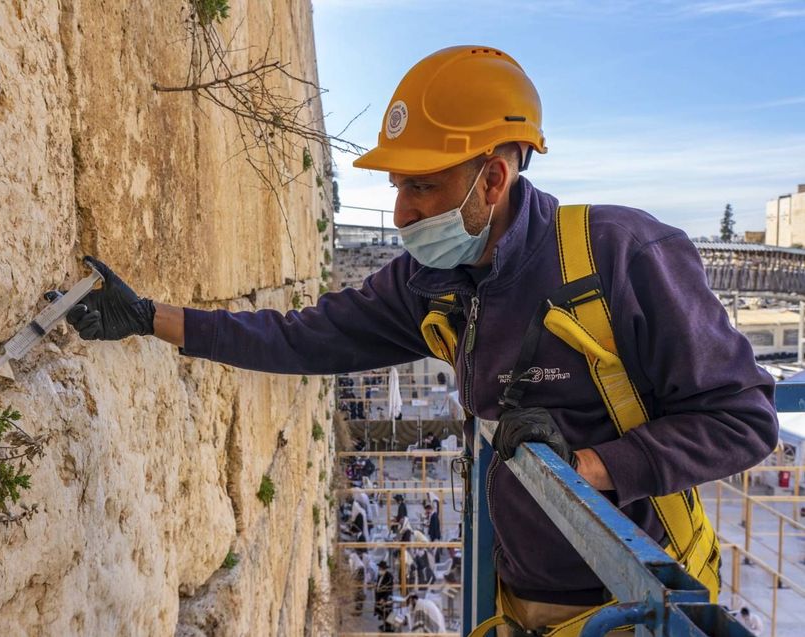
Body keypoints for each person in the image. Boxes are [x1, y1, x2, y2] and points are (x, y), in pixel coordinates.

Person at [66, 45, 778, 636]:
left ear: (493, 178)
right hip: (521, 603)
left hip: (636, 604)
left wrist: (587, 464)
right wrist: (152, 317)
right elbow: (303, 339)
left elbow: (743, 420)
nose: (403, 212)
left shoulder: (621, 255)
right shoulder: (431, 282)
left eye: (424, 188)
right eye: (400, 186)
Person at [374, 560, 395, 632]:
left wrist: (384, 598)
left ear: (384, 569)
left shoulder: (389, 577)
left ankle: (389, 628)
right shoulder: (379, 575)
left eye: (380, 569)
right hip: (380, 597)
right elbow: (378, 584)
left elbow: (389, 589)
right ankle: (385, 625)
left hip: (386, 598)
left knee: (388, 612)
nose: (379, 570)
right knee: (382, 612)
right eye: (379, 568)